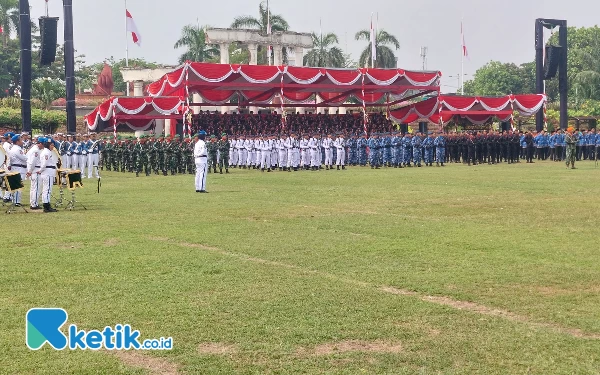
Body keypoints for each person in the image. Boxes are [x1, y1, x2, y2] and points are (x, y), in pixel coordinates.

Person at [38, 138, 58, 213]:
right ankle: (46, 206)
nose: (53, 147)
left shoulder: (47, 152)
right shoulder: (46, 152)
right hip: (47, 172)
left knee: (46, 189)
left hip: (47, 172)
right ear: (48, 145)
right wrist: (40, 170)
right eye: (52, 145)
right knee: (47, 190)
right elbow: (44, 164)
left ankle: (47, 204)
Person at [7, 134, 27, 206]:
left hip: (16, 167)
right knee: (19, 185)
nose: (22, 141)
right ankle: (17, 201)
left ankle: (15, 200)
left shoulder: (14, 148)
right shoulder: (17, 149)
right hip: (19, 168)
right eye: (21, 140)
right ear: (17, 141)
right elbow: (24, 158)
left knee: (17, 185)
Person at [26, 137, 43, 210]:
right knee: (36, 188)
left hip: (33, 170)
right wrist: (30, 171)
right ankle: (34, 204)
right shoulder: (36, 150)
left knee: (33, 188)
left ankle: (33, 202)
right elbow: (33, 162)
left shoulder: (33, 149)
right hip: (35, 170)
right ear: (40, 144)